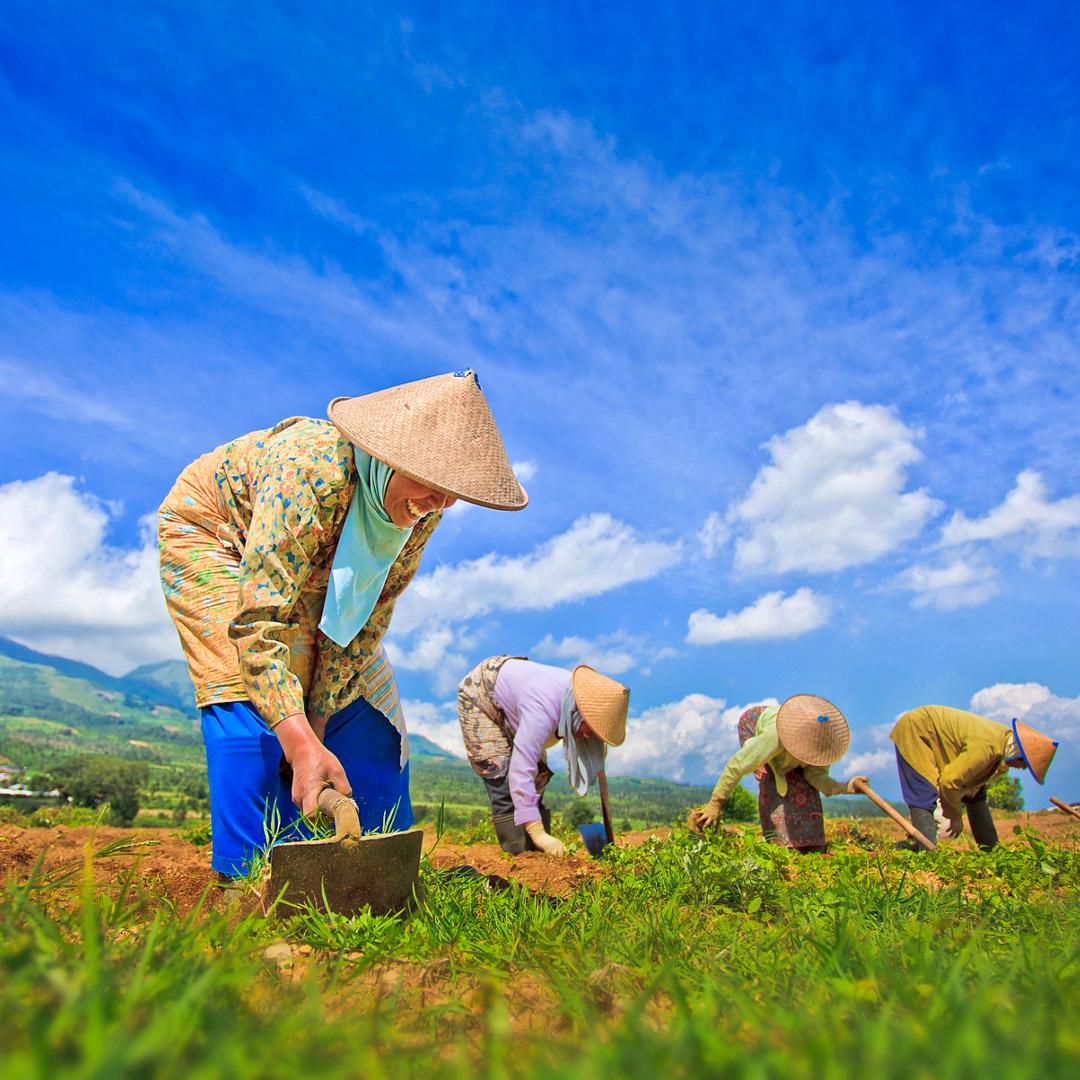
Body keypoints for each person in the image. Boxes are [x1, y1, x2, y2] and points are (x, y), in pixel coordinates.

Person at [158, 370, 527, 876]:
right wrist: (296, 738)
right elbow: (260, 621)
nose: (442, 502)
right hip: (216, 531)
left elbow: (364, 619)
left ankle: (377, 866)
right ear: (387, 458)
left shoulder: (420, 510)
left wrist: (317, 724)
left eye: (453, 491)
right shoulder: (308, 471)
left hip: (315, 551)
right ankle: (247, 878)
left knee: (365, 696)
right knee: (244, 686)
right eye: (435, 484)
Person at [457, 657, 629, 856]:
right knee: (500, 772)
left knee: (539, 775)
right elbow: (521, 769)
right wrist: (538, 833)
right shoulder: (543, 710)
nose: (589, 736)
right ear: (580, 712)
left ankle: (538, 852)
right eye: (591, 728)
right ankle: (519, 853)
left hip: (517, 698)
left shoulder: (574, 704)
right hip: (481, 693)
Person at [688, 694, 866, 852]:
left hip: (784, 739)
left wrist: (846, 786)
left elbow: (815, 777)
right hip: (755, 725)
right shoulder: (773, 738)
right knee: (772, 784)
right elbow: (736, 766)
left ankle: (810, 845)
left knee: (805, 789)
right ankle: (778, 845)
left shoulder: (822, 744)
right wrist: (715, 804)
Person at [890, 705, 1058, 851]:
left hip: (934, 735)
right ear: (1018, 754)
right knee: (923, 792)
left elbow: (971, 786)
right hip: (917, 730)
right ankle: (926, 851)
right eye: (1024, 764)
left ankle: (991, 849)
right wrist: (954, 816)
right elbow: (949, 781)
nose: (1022, 769)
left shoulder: (998, 750)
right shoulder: (987, 747)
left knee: (976, 793)